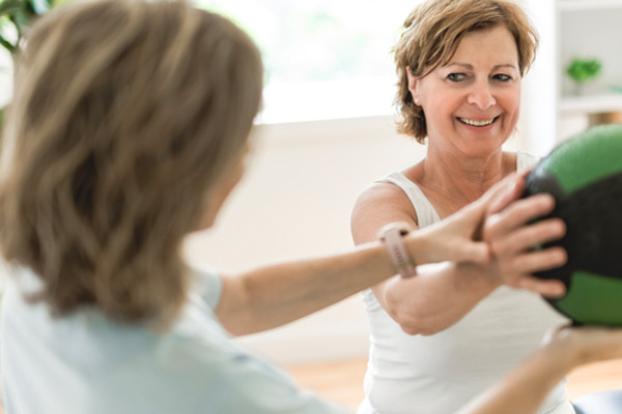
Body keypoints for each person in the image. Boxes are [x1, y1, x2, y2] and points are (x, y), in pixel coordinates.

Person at [0, 1, 620, 414]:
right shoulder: (215, 384)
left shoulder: (36, 269)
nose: (244, 159)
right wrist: (563, 355)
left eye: (501, 76)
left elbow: (238, 299)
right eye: (239, 133)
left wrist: (427, 245)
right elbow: (410, 309)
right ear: (176, 160)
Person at [350, 0, 577, 413]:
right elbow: (409, 306)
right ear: (415, 84)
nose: (484, 98)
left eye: (501, 77)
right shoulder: (386, 205)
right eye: (457, 76)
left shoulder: (554, 184)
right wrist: (497, 260)